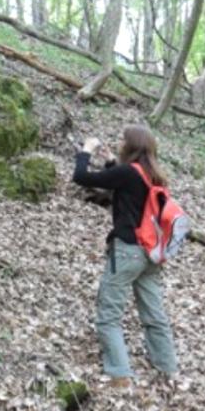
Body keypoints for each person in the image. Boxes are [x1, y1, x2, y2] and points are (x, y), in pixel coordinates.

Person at [72, 124, 177, 389]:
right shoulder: (154, 176)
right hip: (151, 254)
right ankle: (167, 367)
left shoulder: (128, 173)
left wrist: (85, 151)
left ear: (131, 145)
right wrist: (110, 161)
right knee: (154, 313)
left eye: (122, 140)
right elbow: (126, 191)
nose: (119, 142)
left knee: (109, 314)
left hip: (127, 251)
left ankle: (120, 374)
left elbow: (82, 177)